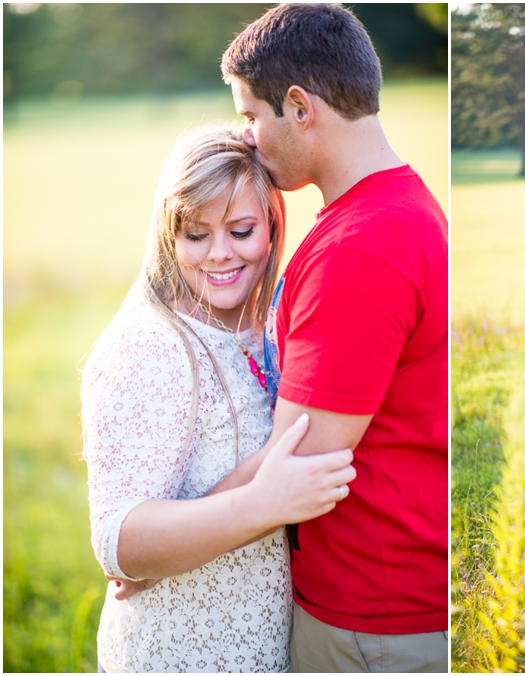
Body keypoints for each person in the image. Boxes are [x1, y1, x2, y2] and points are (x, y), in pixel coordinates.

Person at [211, 4, 448, 672]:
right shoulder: (399, 208)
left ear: (299, 106)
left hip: (371, 624)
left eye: (251, 113)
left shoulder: (361, 248)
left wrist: (163, 545)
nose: (246, 134)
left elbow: (298, 460)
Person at [82, 126, 356, 673]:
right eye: (196, 234)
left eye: (241, 230)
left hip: (267, 647)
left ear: (274, 226)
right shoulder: (150, 344)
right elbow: (118, 544)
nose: (220, 255)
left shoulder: (269, 326)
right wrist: (263, 504)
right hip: (180, 654)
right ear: (169, 234)